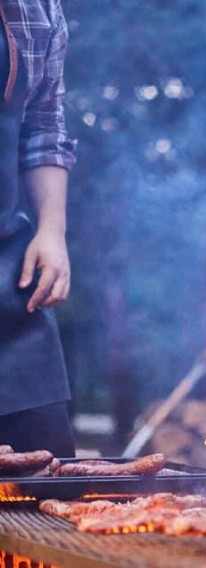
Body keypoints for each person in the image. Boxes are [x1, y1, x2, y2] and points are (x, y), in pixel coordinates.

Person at [0, 0, 77, 457]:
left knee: (51, 473)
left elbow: (44, 124)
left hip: (8, 276)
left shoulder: (38, 6)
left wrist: (52, 230)